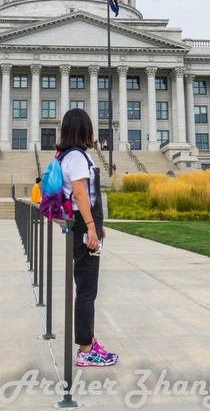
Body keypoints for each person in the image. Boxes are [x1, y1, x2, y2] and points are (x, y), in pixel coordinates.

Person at [57, 107, 118, 367]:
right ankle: (85, 349)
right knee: (86, 290)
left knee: (86, 287)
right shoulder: (78, 158)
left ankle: (89, 342)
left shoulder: (68, 156)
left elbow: (87, 197)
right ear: (84, 130)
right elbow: (81, 195)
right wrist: (91, 227)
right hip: (83, 227)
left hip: (85, 225)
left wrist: (97, 225)